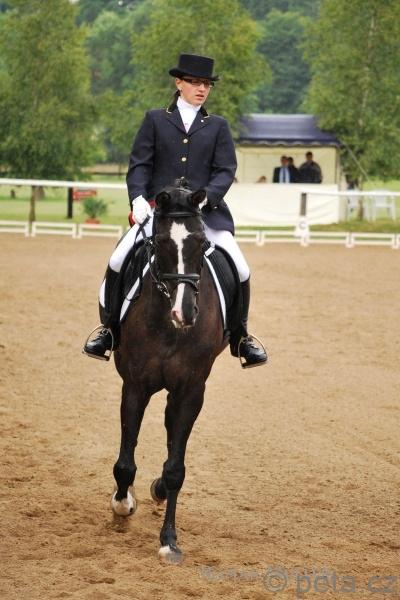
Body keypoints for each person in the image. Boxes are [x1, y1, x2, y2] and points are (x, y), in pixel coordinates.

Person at [83, 53, 267, 368]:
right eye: (195, 82)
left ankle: (241, 337)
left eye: (207, 84)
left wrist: (206, 198)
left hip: (204, 215)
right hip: (160, 213)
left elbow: (225, 170)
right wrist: (138, 198)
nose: (202, 89)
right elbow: (140, 165)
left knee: (241, 268)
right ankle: (108, 330)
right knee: (117, 260)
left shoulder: (217, 126)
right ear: (179, 82)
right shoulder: (155, 119)